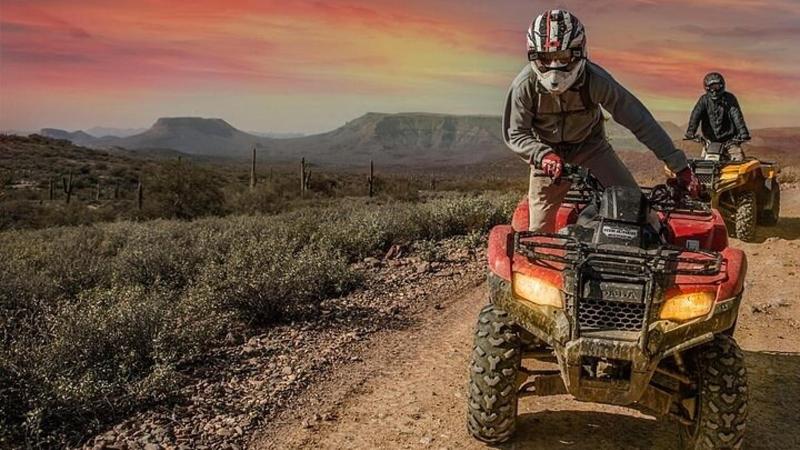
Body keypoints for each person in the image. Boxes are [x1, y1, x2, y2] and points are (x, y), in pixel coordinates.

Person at [503, 9, 699, 232]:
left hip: (591, 149)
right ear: (534, 55)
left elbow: (640, 121)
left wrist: (679, 166)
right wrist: (542, 155)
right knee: (539, 231)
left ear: (579, 51)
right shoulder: (524, 86)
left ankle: (656, 242)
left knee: (638, 209)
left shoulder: (596, 80)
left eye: (564, 56)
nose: (555, 67)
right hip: (548, 156)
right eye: (546, 58)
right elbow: (515, 133)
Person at [684, 72, 751, 161]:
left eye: (716, 87)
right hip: (710, 142)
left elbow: (737, 116)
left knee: (739, 162)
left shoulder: (729, 99)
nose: (714, 91)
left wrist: (743, 133)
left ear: (722, 85)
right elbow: (696, 115)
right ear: (706, 87)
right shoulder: (704, 100)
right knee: (706, 165)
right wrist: (690, 132)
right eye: (711, 87)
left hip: (730, 142)